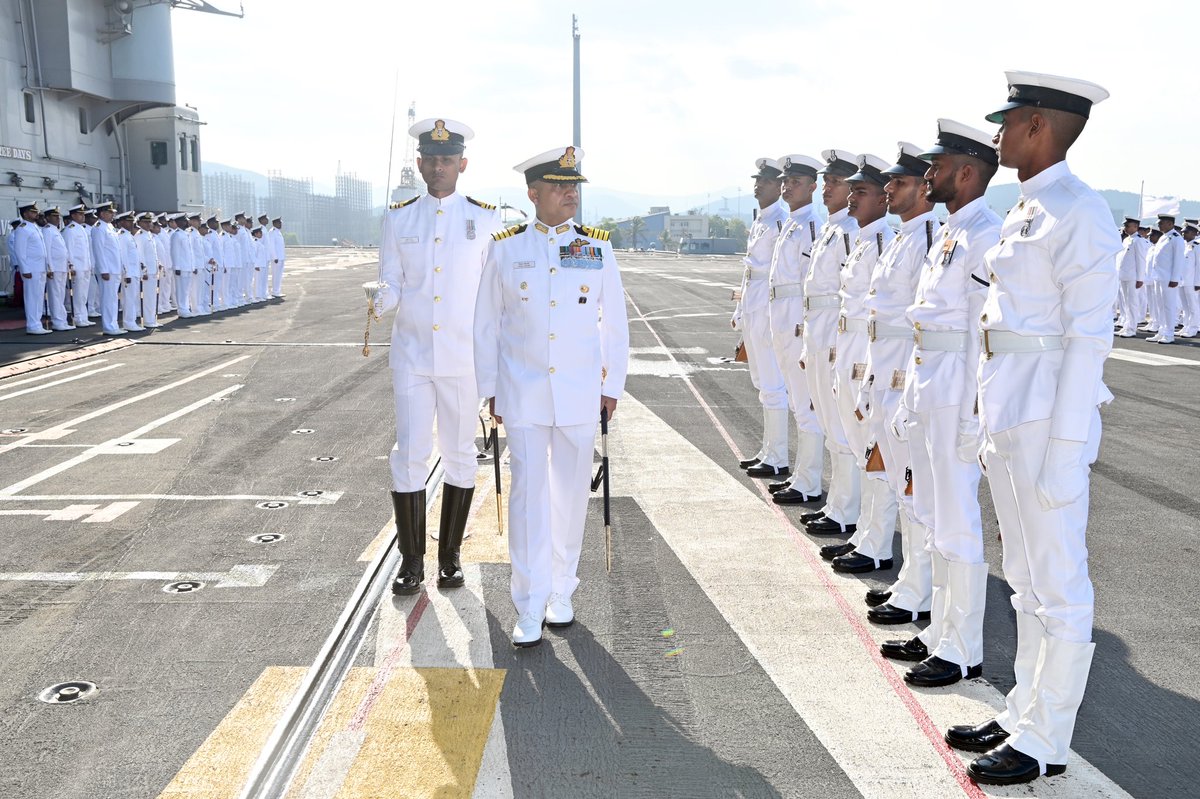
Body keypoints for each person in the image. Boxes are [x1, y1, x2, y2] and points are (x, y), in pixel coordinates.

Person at [947, 71, 1120, 787]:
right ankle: (1023, 709)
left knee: (1061, 583)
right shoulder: (1025, 209)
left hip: (1049, 417)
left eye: (1009, 122)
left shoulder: (1080, 211)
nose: (998, 135)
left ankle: (1047, 739)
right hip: (1011, 408)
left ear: (1040, 126)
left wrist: (1068, 448)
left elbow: (1087, 339)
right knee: (1023, 579)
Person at [474, 145, 629, 647]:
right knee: (527, 500)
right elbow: (486, 325)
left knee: (569, 497)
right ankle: (527, 602)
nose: (570, 194)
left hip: (581, 392)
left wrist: (612, 386)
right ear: (533, 193)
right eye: (560, 187)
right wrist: (490, 389)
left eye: (574, 187)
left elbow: (616, 325)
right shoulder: (505, 247)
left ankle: (562, 591)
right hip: (522, 393)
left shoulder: (597, 247)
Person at [365, 117, 503, 598]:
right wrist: (380, 300)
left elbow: (494, 295)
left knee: (461, 453)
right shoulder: (399, 218)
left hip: (464, 357)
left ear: (462, 164)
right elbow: (393, 282)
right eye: (431, 160)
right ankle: (410, 561)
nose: (439, 167)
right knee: (409, 453)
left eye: (448, 160)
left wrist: (498, 362)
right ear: (419, 163)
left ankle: (449, 558)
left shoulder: (487, 219)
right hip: (412, 354)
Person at [885, 119, 1000, 689]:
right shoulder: (953, 231)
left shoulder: (985, 234)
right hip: (931, 380)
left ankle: (963, 649)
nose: (927, 174)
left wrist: (977, 416)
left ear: (967, 172)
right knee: (932, 514)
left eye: (936, 166)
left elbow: (983, 330)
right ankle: (939, 631)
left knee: (957, 521)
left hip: (958, 389)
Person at [857, 143, 940, 617]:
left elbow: (924, 318)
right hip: (883, 365)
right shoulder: (906, 235)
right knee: (896, 476)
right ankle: (911, 579)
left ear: (924, 189)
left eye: (900, 182)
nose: (889, 188)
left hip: (905, 368)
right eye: (888, 182)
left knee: (913, 486)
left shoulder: (929, 234)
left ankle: (919, 590)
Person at [824, 154, 897, 574]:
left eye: (862, 191)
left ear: (883, 199)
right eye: (851, 190)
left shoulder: (884, 239)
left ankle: (876, 545)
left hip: (868, 348)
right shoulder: (867, 239)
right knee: (857, 444)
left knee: (874, 448)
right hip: (848, 341)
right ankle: (862, 533)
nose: (852, 198)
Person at [799, 150, 862, 536]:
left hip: (836, 332)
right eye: (826, 182)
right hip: (818, 326)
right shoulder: (829, 229)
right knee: (826, 418)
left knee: (841, 426)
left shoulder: (853, 232)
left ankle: (846, 510)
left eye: (836, 182)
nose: (827, 188)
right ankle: (839, 505)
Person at [766, 154, 826, 505]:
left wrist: (804, 328)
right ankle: (802, 477)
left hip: (796, 322)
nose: (788, 186)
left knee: (807, 405)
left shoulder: (812, 226)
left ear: (813, 187)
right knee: (797, 403)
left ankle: (809, 481)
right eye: (786, 181)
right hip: (781, 316)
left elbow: (810, 283)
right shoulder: (791, 222)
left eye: (796, 182)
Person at [731, 158, 790, 478]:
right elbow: (749, 271)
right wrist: (740, 311)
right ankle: (769, 449)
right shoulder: (760, 221)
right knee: (761, 383)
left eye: (765, 181)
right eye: (757, 180)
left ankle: (778, 455)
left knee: (773, 384)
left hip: (769, 310)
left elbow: (779, 274)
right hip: (754, 306)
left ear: (780, 187)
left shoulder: (781, 221)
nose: (758, 185)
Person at [13, 201, 50, 335]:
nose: (36, 214)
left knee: (39, 296)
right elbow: (20, 251)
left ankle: (37, 323)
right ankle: (32, 325)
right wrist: (25, 269)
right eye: (33, 212)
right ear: (25, 213)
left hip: (40, 268)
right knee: (32, 297)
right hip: (31, 269)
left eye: (36, 212)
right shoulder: (22, 229)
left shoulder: (34, 227)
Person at [1146, 212, 1183, 343]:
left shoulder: (1176, 238)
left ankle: (1169, 333)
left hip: (1168, 279)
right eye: (1159, 223)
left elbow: (1178, 260)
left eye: (1161, 223)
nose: (1159, 225)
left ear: (1170, 224)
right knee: (1160, 305)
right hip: (1159, 277)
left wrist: (1175, 278)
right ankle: (1162, 331)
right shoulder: (1163, 237)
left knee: (1169, 306)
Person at [91, 202, 123, 335]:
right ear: (102, 214)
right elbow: (99, 250)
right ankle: (109, 327)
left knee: (113, 298)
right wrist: (104, 270)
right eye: (110, 213)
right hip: (108, 270)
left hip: (114, 268)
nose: (112, 215)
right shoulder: (98, 228)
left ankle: (113, 324)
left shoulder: (109, 226)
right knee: (108, 298)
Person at [40, 207, 73, 331]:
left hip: (61, 267)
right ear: (47, 218)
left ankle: (62, 320)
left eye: (58, 216)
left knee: (60, 295)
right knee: (55, 295)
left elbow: (62, 250)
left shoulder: (55, 230)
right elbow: (47, 251)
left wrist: (68, 263)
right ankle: (58, 321)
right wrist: (49, 268)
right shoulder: (47, 230)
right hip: (55, 268)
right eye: (54, 216)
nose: (57, 219)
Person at [63, 204, 95, 328]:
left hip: (85, 266)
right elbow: (69, 250)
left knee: (83, 294)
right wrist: (71, 267)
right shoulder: (70, 230)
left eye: (83, 214)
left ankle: (83, 316)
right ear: (73, 215)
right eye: (80, 214)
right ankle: (77, 317)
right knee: (77, 294)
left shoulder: (81, 228)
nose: (83, 216)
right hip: (77, 267)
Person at [1114, 216, 1147, 337]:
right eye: (1125, 225)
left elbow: (1141, 261)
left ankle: (1132, 328)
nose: (1125, 228)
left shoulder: (1139, 241)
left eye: (1128, 226)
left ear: (1135, 227)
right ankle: (1126, 325)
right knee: (1125, 304)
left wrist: (1140, 278)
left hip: (1133, 277)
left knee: (1132, 303)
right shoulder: (1126, 240)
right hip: (1124, 276)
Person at [114, 211, 144, 332]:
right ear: (121, 222)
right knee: (128, 299)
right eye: (128, 221)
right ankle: (128, 322)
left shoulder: (128, 235)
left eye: (132, 221)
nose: (131, 223)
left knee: (133, 298)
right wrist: (126, 273)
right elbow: (124, 256)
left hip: (134, 272)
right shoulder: (121, 235)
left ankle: (131, 321)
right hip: (129, 273)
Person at [135, 212, 160, 328]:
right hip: (147, 272)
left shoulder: (149, 235)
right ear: (139, 223)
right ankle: (148, 320)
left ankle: (152, 319)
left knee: (152, 296)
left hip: (153, 270)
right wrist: (143, 271)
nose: (149, 224)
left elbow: (152, 254)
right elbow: (141, 255)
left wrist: (157, 264)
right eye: (145, 222)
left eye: (149, 222)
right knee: (147, 297)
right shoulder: (140, 236)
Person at [269, 217, 286, 298]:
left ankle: (277, 290)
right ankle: (275, 291)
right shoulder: (272, 232)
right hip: (276, 258)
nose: (281, 224)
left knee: (279, 275)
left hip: (281, 257)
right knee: (276, 275)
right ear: (275, 224)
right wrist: (274, 257)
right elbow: (271, 246)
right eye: (279, 223)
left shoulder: (278, 232)